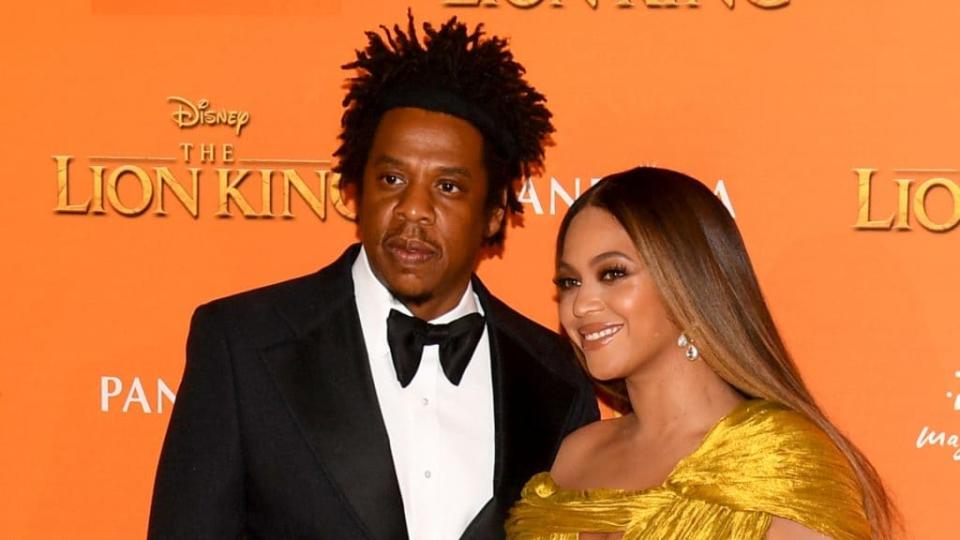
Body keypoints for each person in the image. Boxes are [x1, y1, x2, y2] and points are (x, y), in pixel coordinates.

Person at [148, 13, 598, 540]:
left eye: (448, 187)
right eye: (391, 178)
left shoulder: (559, 379)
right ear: (356, 188)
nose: (413, 209)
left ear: (496, 211)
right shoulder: (242, 344)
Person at [506, 167, 898, 540]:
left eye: (612, 273)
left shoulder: (776, 459)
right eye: (570, 282)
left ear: (686, 281)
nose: (580, 304)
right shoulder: (577, 454)